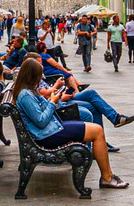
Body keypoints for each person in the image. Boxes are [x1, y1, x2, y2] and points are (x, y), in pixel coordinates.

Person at [12, 56, 127, 189]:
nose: (40, 78)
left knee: (96, 129)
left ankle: (108, 175)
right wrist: (52, 102)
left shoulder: (29, 92)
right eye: (39, 75)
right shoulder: (26, 95)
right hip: (47, 135)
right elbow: (41, 121)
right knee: (97, 131)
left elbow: (43, 111)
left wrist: (54, 99)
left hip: (52, 128)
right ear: (32, 76)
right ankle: (107, 178)